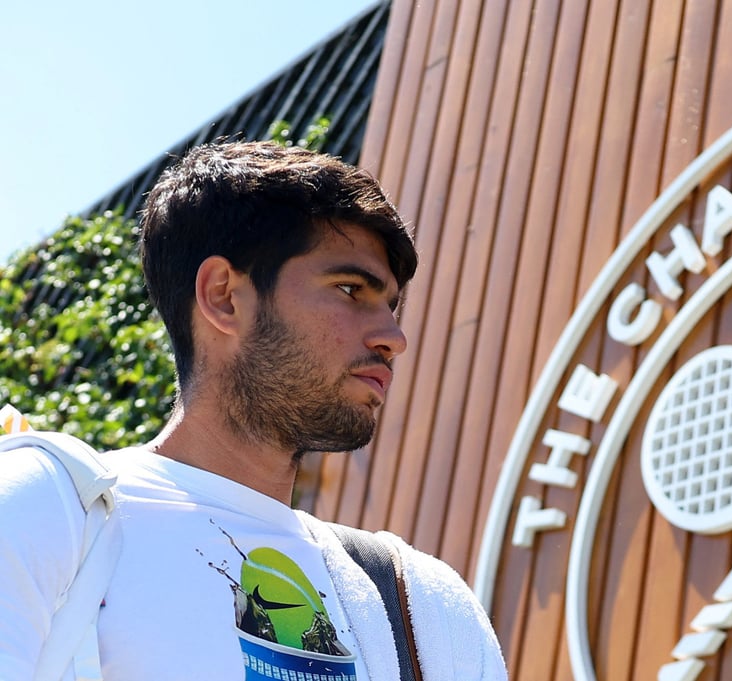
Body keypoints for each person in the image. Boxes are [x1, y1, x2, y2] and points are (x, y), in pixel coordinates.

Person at [0, 140, 508, 680]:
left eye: (391, 305)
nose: (393, 338)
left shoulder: (419, 605)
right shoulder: (48, 507)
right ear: (224, 296)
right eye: (349, 288)